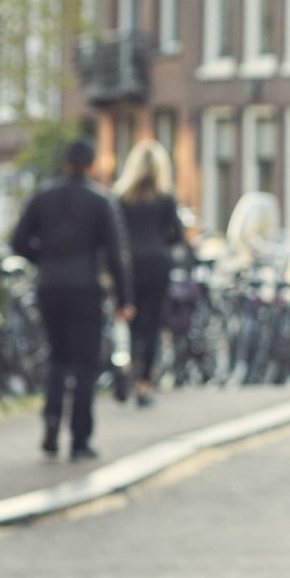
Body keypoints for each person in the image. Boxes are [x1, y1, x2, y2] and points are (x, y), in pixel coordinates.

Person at [11, 137, 133, 460]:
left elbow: (18, 241)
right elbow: (116, 254)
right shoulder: (100, 201)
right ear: (92, 165)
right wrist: (124, 298)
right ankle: (79, 439)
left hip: (50, 286)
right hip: (86, 289)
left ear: (66, 163)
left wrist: (43, 260)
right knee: (85, 364)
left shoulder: (43, 197)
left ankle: (51, 419)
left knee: (57, 357)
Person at [112, 140, 192, 406]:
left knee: (128, 319)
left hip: (128, 267)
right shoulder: (165, 199)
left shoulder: (121, 199)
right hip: (157, 265)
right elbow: (176, 236)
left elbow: (113, 235)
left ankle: (124, 367)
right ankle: (143, 385)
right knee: (152, 326)